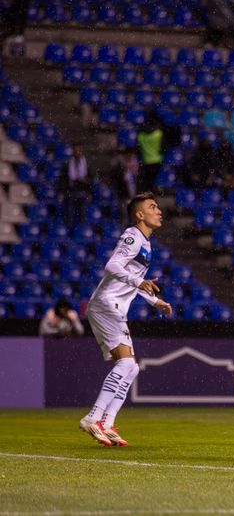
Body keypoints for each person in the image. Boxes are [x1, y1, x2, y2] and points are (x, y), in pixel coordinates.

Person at [79, 192, 173, 447]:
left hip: (114, 306)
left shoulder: (146, 243)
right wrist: (139, 281)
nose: (159, 211)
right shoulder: (132, 235)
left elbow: (131, 280)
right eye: (153, 207)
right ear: (139, 214)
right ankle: (93, 417)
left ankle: (107, 422)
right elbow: (112, 266)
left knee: (130, 367)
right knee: (125, 365)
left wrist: (155, 301)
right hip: (106, 305)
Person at [62, 146, 91, 230]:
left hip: (82, 190)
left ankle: (82, 230)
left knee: (82, 212)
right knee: (70, 212)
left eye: (79, 151)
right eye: (76, 150)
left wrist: (86, 183)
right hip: (71, 190)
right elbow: (63, 178)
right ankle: (70, 230)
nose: (77, 152)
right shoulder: (67, 164)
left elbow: (90, 178)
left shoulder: (85, 163)